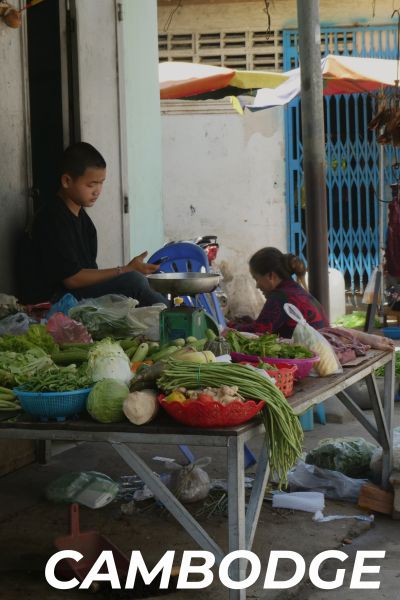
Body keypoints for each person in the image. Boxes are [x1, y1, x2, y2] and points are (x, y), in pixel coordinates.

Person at [26, 142, 166, 306]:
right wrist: (124, 270)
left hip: (78, 294)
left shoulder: (85, 222)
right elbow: (73, 279)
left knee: (151, 281)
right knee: (133, 281)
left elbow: (89, 273)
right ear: (66, 181)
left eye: (101, 183)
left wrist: (127, 271)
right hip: (56, 300)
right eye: (91, 184)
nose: (97, 191)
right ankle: (178, 323)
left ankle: (177, 317)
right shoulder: (51, 219)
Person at [229, 247, 329, 338]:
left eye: (257, 279)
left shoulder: (280, 297)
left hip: (315, 356)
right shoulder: (295, 290)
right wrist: (249, 323)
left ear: (271, 276)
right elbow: (266, 325)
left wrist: (229, 325)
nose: (257, 286)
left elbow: (258, 332)